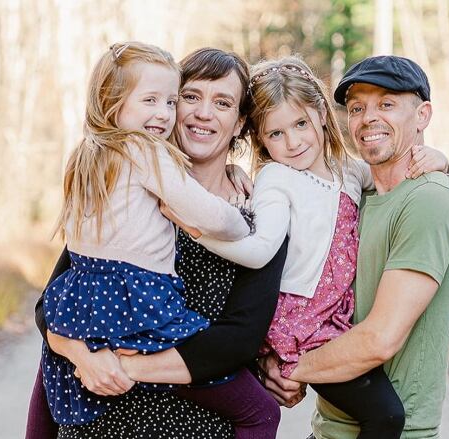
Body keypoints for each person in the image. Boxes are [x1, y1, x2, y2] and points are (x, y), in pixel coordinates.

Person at [26, 47, 287, 439]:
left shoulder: (259, 221)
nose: (202, 113)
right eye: (190, 97)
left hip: (195, 427)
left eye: (222, 102)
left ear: (239, 124)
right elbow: (54, 304)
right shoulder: (125, 195)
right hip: (99, 422)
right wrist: (83, 356)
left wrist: (121, 365)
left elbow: (238, 341)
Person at [185, 56, 449, 439]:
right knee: (386, 416)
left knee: (380, 413)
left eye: (300, 124)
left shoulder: (348, 170)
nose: (292, 143)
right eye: (275, 134)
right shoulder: (276, 179)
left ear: (322, 115)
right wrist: (198, 231)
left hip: (334, 321)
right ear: (260, 138)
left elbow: (392, 176)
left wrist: (441, 161)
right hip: (300, 326)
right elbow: (259, 249)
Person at [260, 55, 449, 439]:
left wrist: (288, 367)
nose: (368, 117)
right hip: (330, 429)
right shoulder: (357, 195)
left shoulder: (428, 200)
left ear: (423, 115)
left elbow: (379, 340)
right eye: (357, 108)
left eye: (386, 104)